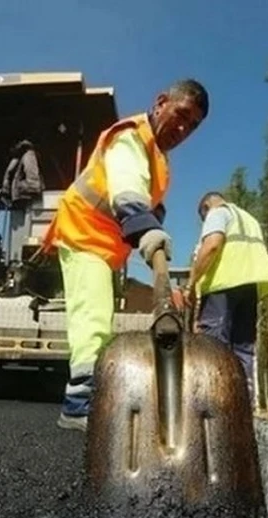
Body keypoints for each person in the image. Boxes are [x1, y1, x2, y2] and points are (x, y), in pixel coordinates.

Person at [41, 79, 210, 431]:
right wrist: (144, 227)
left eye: (193, 126)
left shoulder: (159, 161)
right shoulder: (131, 137)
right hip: (82, 230)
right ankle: (78, 405)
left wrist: (155, 231)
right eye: (181, 115)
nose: (183, 129)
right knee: (94, 317)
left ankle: (95, 397)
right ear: (161, 102)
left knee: (100, 316)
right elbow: (127, 187)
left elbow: (151, 204)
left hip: (107, 246)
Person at [181, 191, 268, 401]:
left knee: (213, 347)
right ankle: (241, 407)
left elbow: (213, 245)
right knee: (243, 349)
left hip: (222, 286)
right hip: (249, 287)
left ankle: (213, 403)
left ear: (206, 207)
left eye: (202, 218)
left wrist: (191, 283)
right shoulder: (249, 220)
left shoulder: (217, 213)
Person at [0, 139, 44, 208]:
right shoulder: (16, 160)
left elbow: (33, 181)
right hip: (20, 197)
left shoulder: (28, 155)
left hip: (26, 196)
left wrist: (19, 188)